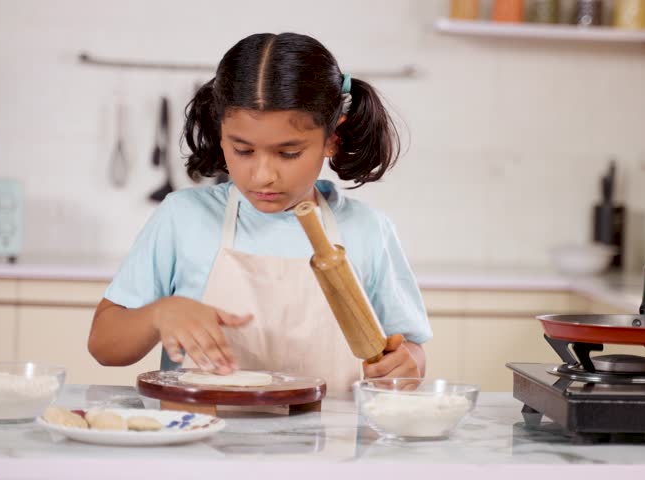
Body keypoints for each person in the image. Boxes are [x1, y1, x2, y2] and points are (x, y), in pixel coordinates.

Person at [87, 32, 432, 393]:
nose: (263, 175)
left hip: (331, 444)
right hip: (199, 443)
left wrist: (407, 364)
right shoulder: (183, 218)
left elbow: (409, 352)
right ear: (221, 134)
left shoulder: (367, 231)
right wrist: (159, 314)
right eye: (243, 150)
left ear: (333, 138)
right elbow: (104, 345)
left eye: (288, 153)